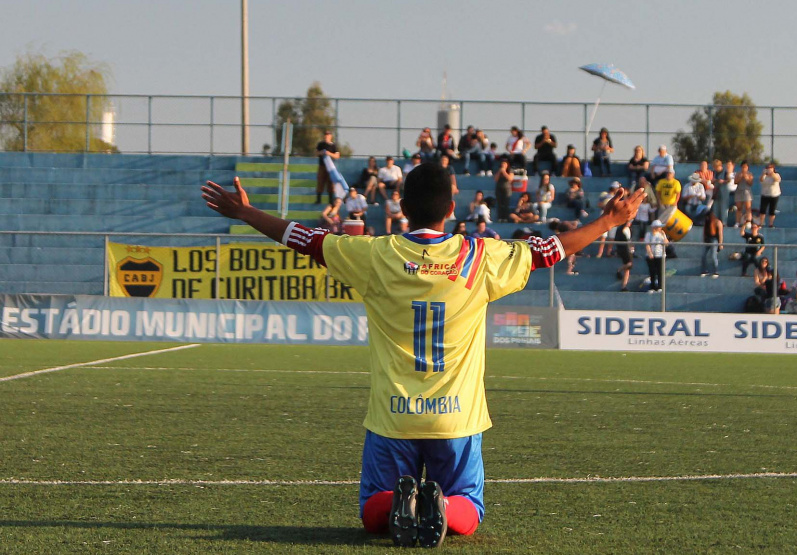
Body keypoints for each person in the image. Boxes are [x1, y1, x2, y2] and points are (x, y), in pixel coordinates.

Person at [201, 165, 644, 549]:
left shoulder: (376, 255)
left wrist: (244, 213)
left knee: (371, 512)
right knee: (468, 509)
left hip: (394, 416)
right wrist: (609, 219)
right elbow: (552, 250)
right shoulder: (478, 255)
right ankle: (444, 508)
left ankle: (398, 504)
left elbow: (306, 239)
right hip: (456, 418)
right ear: (452, 208)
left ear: (401, 206)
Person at [315, 130, 340, 205]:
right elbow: (316, 153)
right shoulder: (321, 144)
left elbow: (337, 156)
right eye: (325, 135)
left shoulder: (333, 146)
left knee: (330, 183)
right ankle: (318, 199)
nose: (326, 136)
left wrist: (329, 154)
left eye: (328, 135)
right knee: (320, 182)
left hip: (330, 167)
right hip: (322, 166)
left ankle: (331, 200)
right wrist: (321, 153)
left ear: (331, 136)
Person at [644, 220, 668, 292]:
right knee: (652, 271)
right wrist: (649, 253)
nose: (660, 228)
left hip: (659, 255)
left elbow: (666, 243)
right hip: (651, 255)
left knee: (660, 271)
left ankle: (660, 286)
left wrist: (664, 236)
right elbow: (647, 244)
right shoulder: (649, 234)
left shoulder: (661, 235)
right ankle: (652, 287)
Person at [631, 176, 657, 240]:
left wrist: (654, 205)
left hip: (645, 215)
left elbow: (653, 201)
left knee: (644, 226)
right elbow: (631, 196)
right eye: (641, 182)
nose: (642, 184)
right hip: (636, 206)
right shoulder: (635, 187)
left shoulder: (648, 188)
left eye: (643, 182)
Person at [758, 163, 782, 228]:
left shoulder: (776, 175)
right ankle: (761, 223)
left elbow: (777, 179)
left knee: (772, 210)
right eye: (768, 168)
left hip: (774, 195)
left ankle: (771, 224)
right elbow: (761, 180)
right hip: (765, 194)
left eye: (770, 168)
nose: (769, 169)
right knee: (762, 210)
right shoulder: (764, 176)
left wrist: (772, 174)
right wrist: (764, 174)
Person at [700, 211, 723, 278]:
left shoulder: (717, 222)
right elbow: (704, 232)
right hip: (707, 239)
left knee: (713, 256)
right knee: (703, 255)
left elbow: (720, 234)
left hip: (714, 239)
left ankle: (715, 271)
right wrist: (704, 240)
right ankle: (704, 270)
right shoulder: (706, 222)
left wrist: (720, 244)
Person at [733, 161, 754, 228]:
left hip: (747, 192)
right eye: (743, 167)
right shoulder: (738, 174)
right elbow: (735, 182)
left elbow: (750, 183)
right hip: (739, 191)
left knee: (748, 208)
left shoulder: (750, 174)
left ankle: (748, 221)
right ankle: (737, 222)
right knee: (739, 208)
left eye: (745, 167)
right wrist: (740, 177)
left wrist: (747, 178)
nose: (744, 168)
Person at [614, 219, 633, 291]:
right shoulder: (620, 230)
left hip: (628, 249)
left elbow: (629, 239)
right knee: (629, 264)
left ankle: (624, 285)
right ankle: (619, 270)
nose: (630, 224)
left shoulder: (628, 229)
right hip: (623, 249)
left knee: (628, 269)